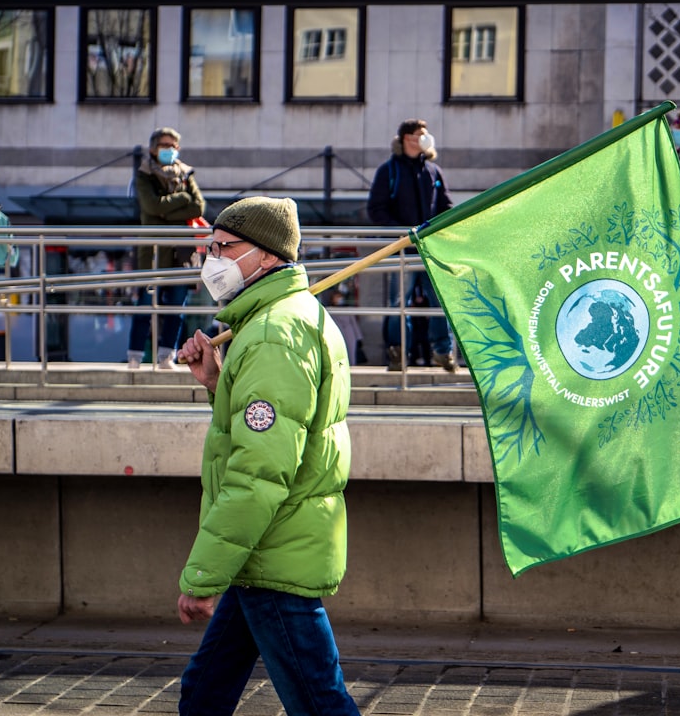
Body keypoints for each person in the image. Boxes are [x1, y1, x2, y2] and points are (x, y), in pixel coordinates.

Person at [174, 196, 359, 716]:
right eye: (209, 247)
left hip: (273, 551)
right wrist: (216, 382)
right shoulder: (277, 323)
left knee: (320, 703)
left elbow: (259, 472)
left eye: (225, 247)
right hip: (267, 549)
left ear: (269, 257)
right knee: (204, 691)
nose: (212, 258)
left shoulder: (275, 334)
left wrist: (202, 577)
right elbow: (267, 431)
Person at [367, 118, 456, 372]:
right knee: (399, 302)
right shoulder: (389, 171)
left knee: (439, 300)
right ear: (406, 138)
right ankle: (397, 352)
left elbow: (445, 206)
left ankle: (442, 351)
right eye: (420, 134)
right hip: (403, 248)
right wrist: (401, 233)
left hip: (430, 248)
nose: (425, 138)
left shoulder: (433, 171)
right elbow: (375, 209)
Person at [128, 126, 205, 370]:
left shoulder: (185, 173)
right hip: (152, 251)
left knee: (176, 306)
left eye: (173, 146)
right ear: (152, 148)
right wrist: (182, 201)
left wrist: (166, 210)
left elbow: (199, 207)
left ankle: (166, 356)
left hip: (181, 251)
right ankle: (135, 355)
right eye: (164, 145)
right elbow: (151, 207)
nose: (169, 150)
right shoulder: (143, 174)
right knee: (145, 305)